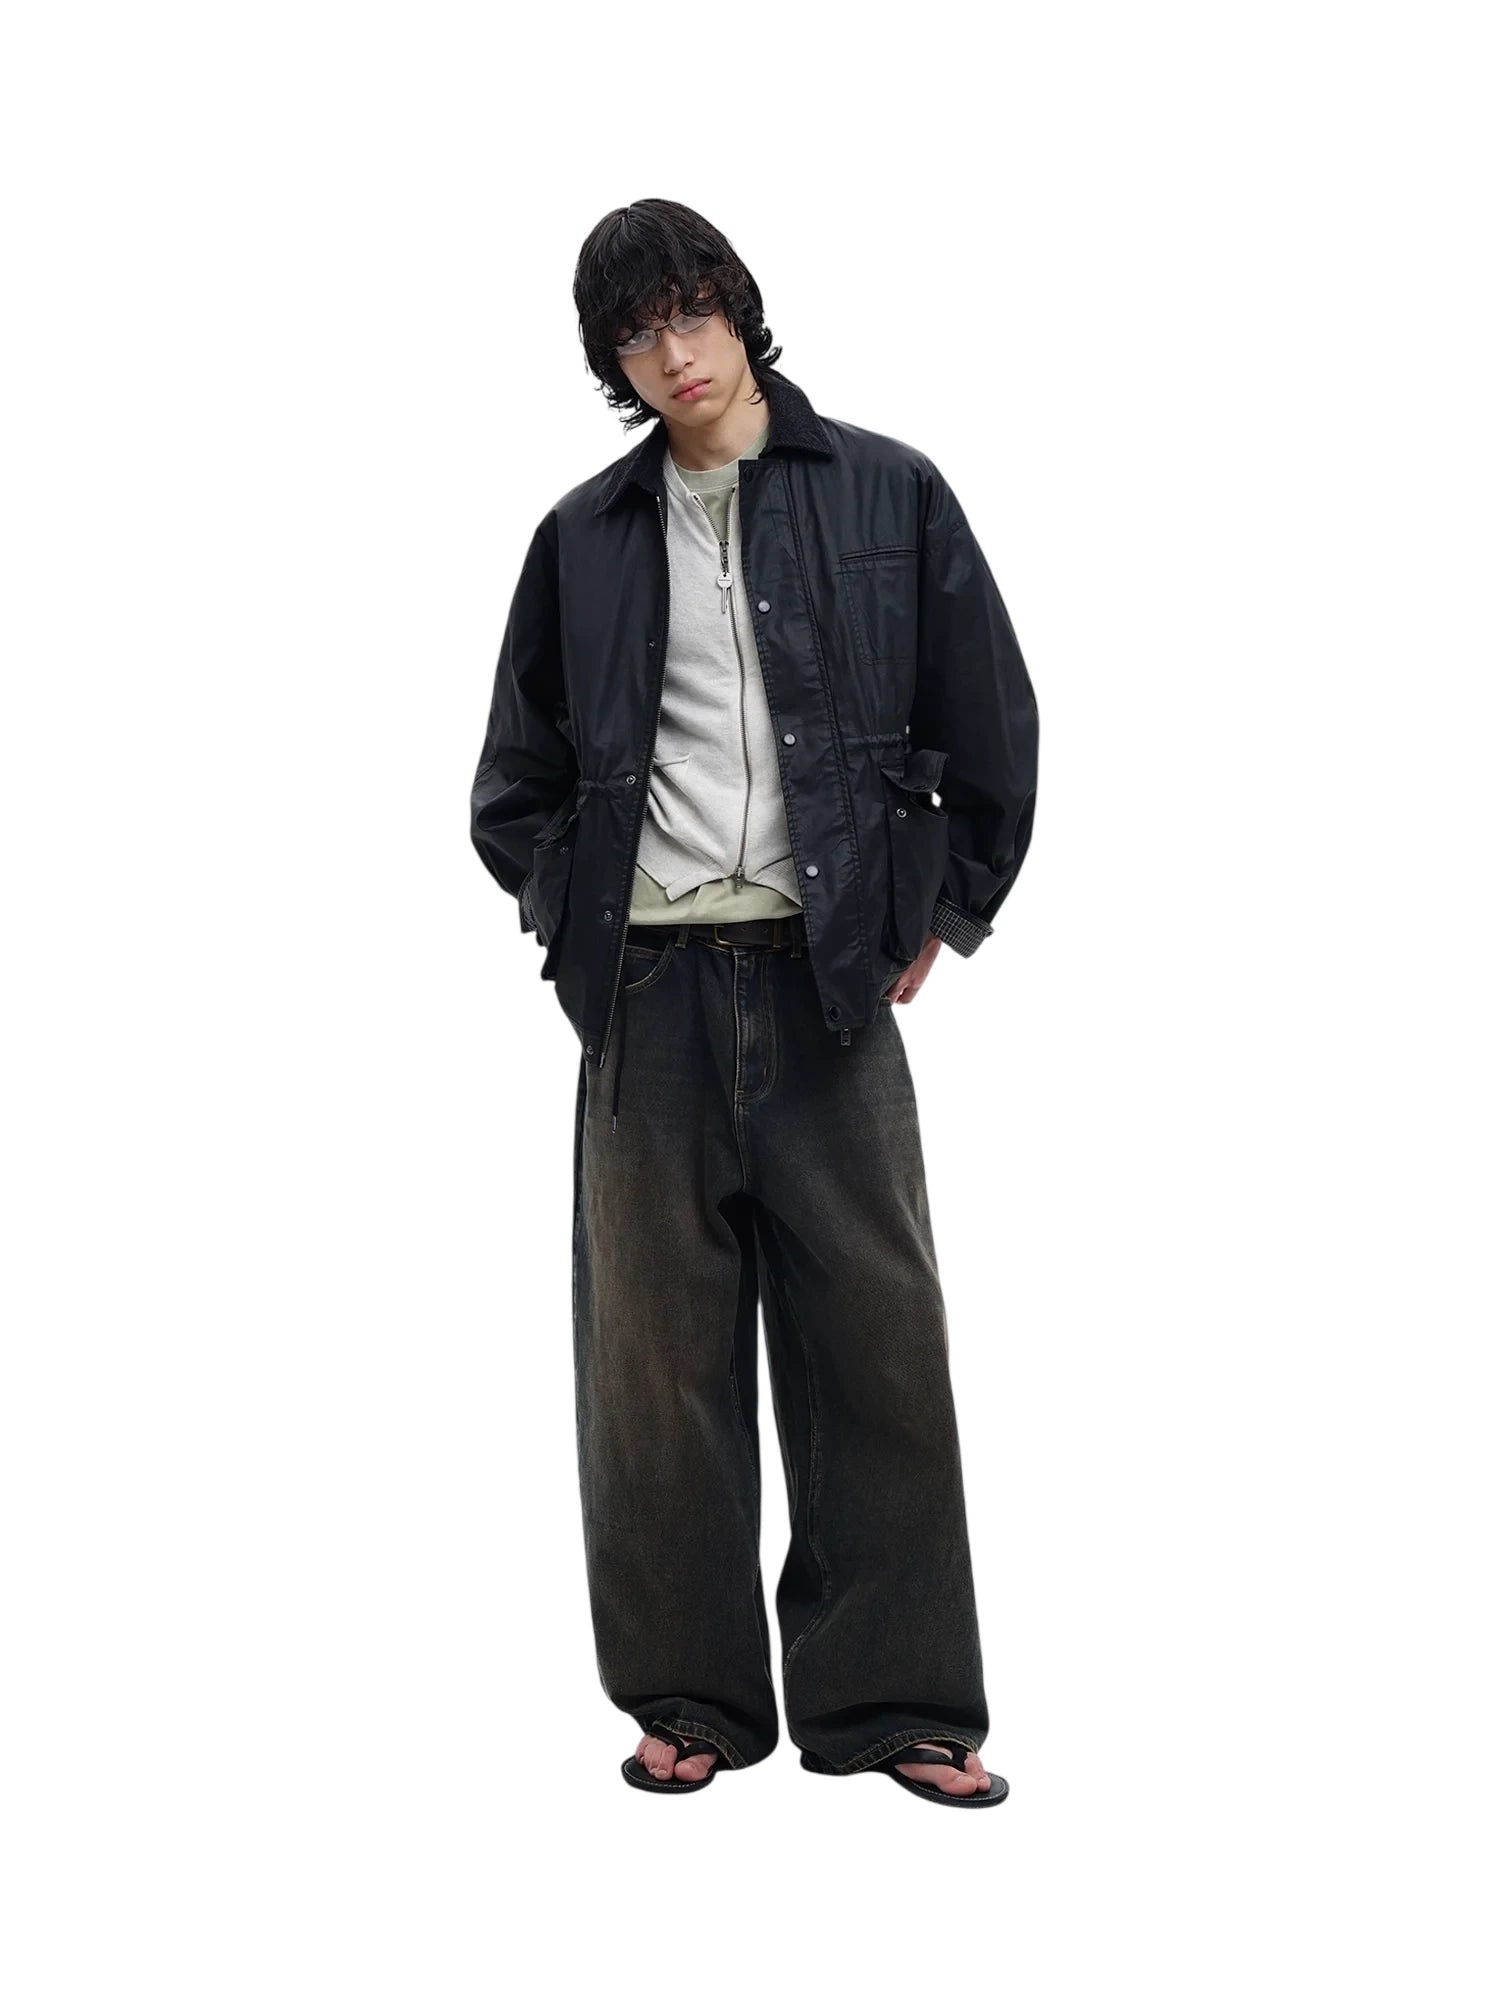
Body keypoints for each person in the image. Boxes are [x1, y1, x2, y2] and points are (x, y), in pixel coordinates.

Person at [470, 198, 1038, 1807]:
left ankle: (899, 1704)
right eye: (634, 335)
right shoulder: (584, 537)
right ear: (613, 364)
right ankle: (691, 1698)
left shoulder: (886, 491)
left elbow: (990, 715)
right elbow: (513, 781)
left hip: (829, 987)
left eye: (689, 313)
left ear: (737, 308)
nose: (672, 354)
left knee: (876, 1346)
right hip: (646, 995)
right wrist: (572, 919)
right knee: (653, 1373)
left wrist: (944, 908)